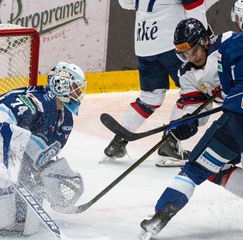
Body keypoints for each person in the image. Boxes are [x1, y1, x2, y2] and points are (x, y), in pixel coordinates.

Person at [139, 17, 243, 240]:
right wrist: (186, 125)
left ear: (205, 41)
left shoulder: (229, 42)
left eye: (193, 51)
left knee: (196, 168)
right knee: (215, 169)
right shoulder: (187, 74)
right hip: (234, 119)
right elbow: (195, 112)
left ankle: (161, 214)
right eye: (184, 54)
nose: (191, 58)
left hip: (237, 119)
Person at [0, 61, 86, 217]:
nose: (79, 92)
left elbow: (36, 154)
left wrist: (45, 174)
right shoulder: (38, 101)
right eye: (75, 87)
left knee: (7, 195)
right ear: (61, 84)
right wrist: (1, 146)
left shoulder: (66, 121)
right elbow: (1, 113)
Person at [102, 0, 209, 167]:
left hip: (144, 42)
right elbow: (195, 8)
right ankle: (170, 142)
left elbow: (125, 2)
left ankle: (119, 140)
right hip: (172, 44)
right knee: (195, 94)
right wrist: (203, 40)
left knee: (151, 96)